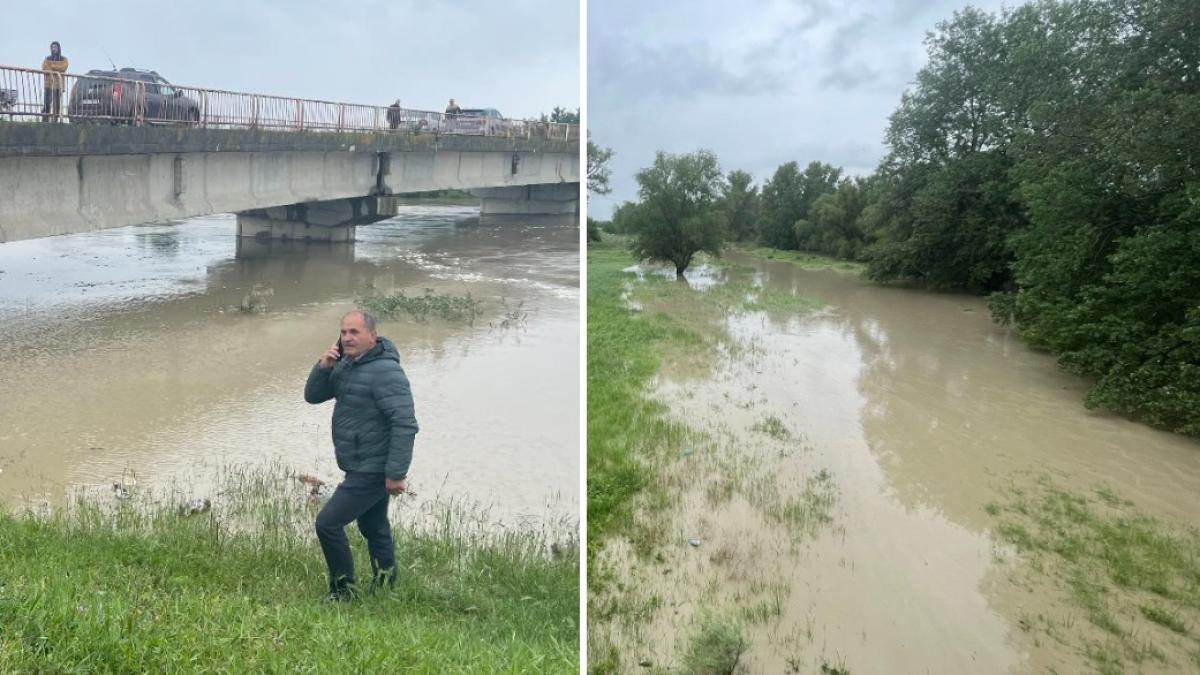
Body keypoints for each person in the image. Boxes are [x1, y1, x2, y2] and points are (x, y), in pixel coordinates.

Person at [304, 310, 419, 601]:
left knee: (327, 524)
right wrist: (324, 366)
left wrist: (395, 473)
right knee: (373, 526)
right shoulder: (346, 365)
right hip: (357, 464)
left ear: (372, 335)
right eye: (343, 332)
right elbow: (314, 396)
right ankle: (384, 586)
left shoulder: (387, 372)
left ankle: (343, 592)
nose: (347, 338)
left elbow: (404, 423)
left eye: (354, 332)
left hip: (373, 468)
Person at [41, 41, 69, 120]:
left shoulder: (64, 59)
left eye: (55, 47)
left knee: (57, 104)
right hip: (48, 84)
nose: (53, 49)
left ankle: (55, 120)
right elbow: (44, 68)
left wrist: (52, 66)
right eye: (52, 47)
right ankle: (45, 119)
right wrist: (56, 68)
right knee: (47, 103)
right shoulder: (47, 58)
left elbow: (63, 68)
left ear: (58, 48)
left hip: (58, 85)